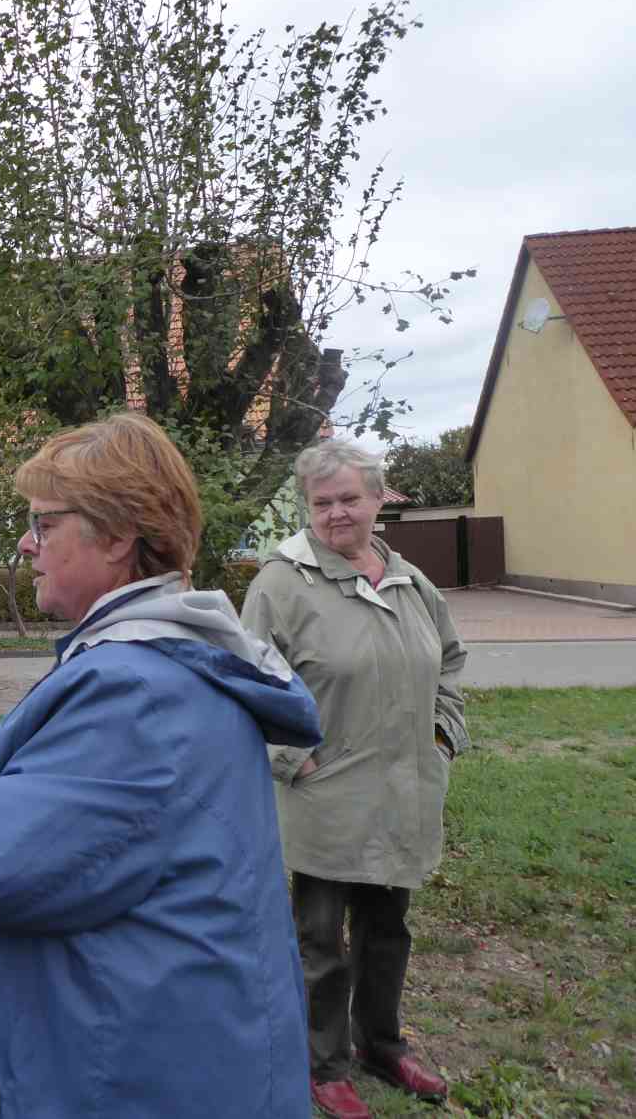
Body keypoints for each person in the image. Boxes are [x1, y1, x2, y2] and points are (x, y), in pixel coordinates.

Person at [0, 412, 322, 1118]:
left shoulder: (137, 692)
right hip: (167, 1039)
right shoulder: (160, 667)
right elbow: (65, 840)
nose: (27, 543)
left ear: (118, 535)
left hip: (131, 1069)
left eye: (44, 524)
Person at [241, 438, 470, 1119]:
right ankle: (325, 1063)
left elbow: (450, 662)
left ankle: (382, 1044)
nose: (336, 513)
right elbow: (247, 680)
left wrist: (442, 735)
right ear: (307, 508)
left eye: (348, 498)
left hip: (403, 789)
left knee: (387, 928)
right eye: (322, 502)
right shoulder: (281, 583)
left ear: (377, 499)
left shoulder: (410, 580)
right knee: (321, 939)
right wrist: (293, 758)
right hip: (324, 794)